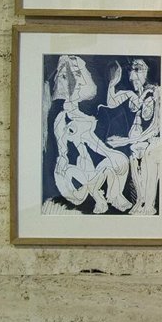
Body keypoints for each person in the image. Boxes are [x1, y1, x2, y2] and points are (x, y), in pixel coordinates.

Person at [46, 55, 131, 214]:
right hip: (74, 174)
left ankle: (114, 195)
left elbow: (95, 143)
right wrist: (64, 161)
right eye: (73, 76)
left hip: (90, 168)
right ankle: (98, 197)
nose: (80, 83)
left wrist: (111, 154)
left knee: (121, 160)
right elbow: (62, 153)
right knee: (85, 163)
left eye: (79, 75)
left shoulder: (83, 117)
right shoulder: (62, 118)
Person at [103, 58, 161, 215]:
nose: (132, 76)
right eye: (131, 70)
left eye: (138, 69)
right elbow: (111, 102)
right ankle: (140, 202)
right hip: (135, 144)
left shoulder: (157, 92)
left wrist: (126, 141)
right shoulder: (132, 95)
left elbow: (155, 127)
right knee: (135, 166)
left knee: (149, 158)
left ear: (149, 71)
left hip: (152, 143)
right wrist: (112, 83)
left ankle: (148, 205)